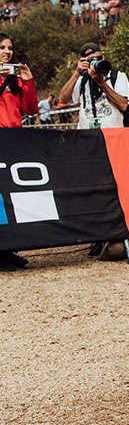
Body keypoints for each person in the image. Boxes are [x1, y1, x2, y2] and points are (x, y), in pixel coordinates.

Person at [0, 34, 37, 271]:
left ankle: (9, 248)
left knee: (10, 196)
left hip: (14, 141)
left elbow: (31, 109)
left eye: (10, 48)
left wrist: (29, 81)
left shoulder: (16, 79)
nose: (7, 51)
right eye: (2, 47)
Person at [59, 42, 129, 129]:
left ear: (103, 57)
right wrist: (76, 73)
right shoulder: (81, 79)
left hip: (111, 134)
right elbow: (63, 99)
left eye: (98, 58)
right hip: (87, 136)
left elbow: (124, 105)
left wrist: (101, 83)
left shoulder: (117, 76)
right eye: (91, 61)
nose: (96, 62)